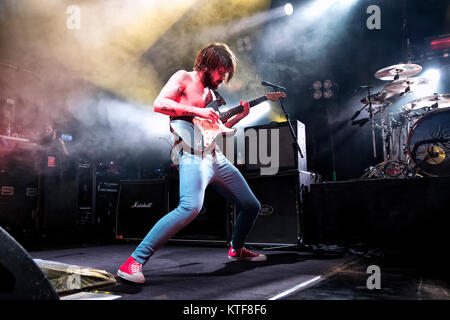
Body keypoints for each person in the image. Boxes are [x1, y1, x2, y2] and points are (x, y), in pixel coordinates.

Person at [117, 42, 266, 284]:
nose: (223, 79)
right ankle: (132, 262)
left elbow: (215, 130)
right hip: (192, 155)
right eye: (221, 72)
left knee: (251, 205)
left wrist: (238, 117)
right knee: (190, 207)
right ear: (209, 65)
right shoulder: (183, 78)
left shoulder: (212, 96)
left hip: (214, 155)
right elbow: (160, 104)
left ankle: (236, 249)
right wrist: (197, 112)